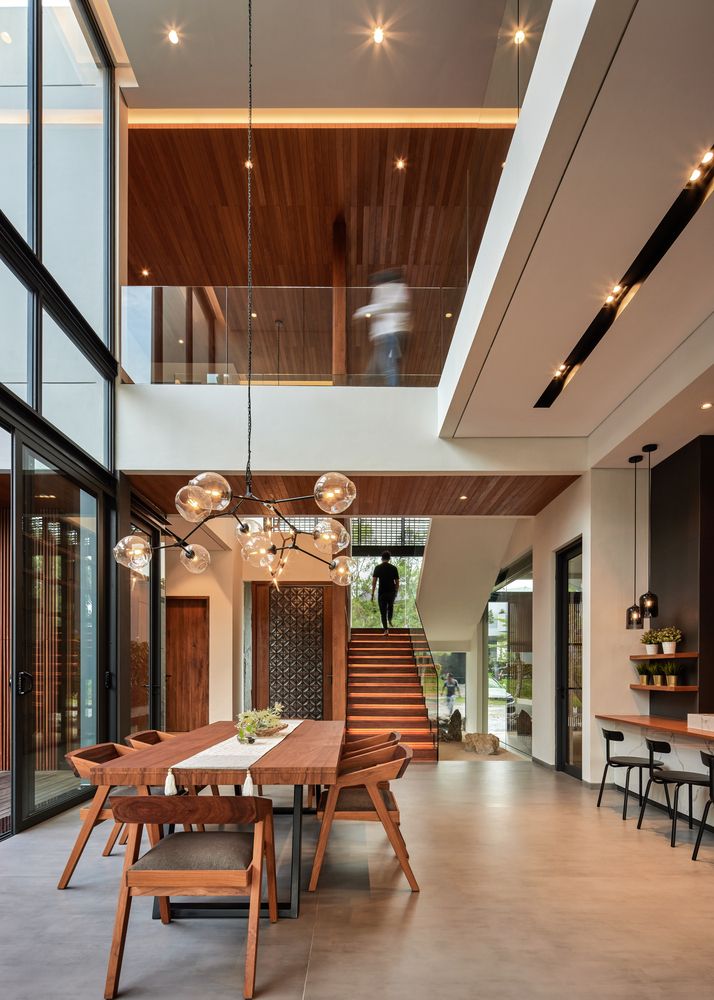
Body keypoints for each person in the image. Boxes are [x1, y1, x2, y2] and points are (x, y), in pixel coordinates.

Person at [353, 268, 411, 386]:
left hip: (389, 334)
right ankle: (377, 397)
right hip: (385, 336)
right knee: (372, 373)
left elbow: (390, 306)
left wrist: (363, 311)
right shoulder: (396, 289)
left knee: (388, 368)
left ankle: (394, 395)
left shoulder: (391, 289)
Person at [371, 550, 399, 636]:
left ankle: (386, 630)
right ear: (389, 559)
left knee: (383, 612)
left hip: (382, 593)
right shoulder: (394, 568)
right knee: (390, 607)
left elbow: (374, 582)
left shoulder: (378, 568)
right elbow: (397, 582)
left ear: (381, 558)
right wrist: (396, 593)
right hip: (391, 592)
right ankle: (390, 619)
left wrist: (372, 594)